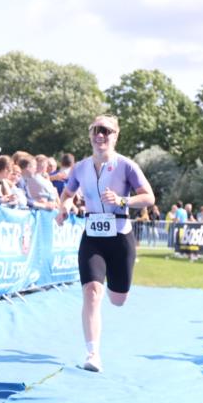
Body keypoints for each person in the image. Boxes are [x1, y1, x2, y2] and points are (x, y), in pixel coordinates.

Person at [56, 115, 154, 373]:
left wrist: (123, 201)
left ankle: (117, 284)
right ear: (90, 135)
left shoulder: (126, 166)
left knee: (118, 299)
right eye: (96, 130)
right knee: (91, 292)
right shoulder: (80, 168)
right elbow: (67, 193)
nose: (101, 135)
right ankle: (93, 353)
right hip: (93, 237)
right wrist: (64, 207)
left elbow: (149, 197)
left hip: (121, 237)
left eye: (106, 131)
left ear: (116, 135)